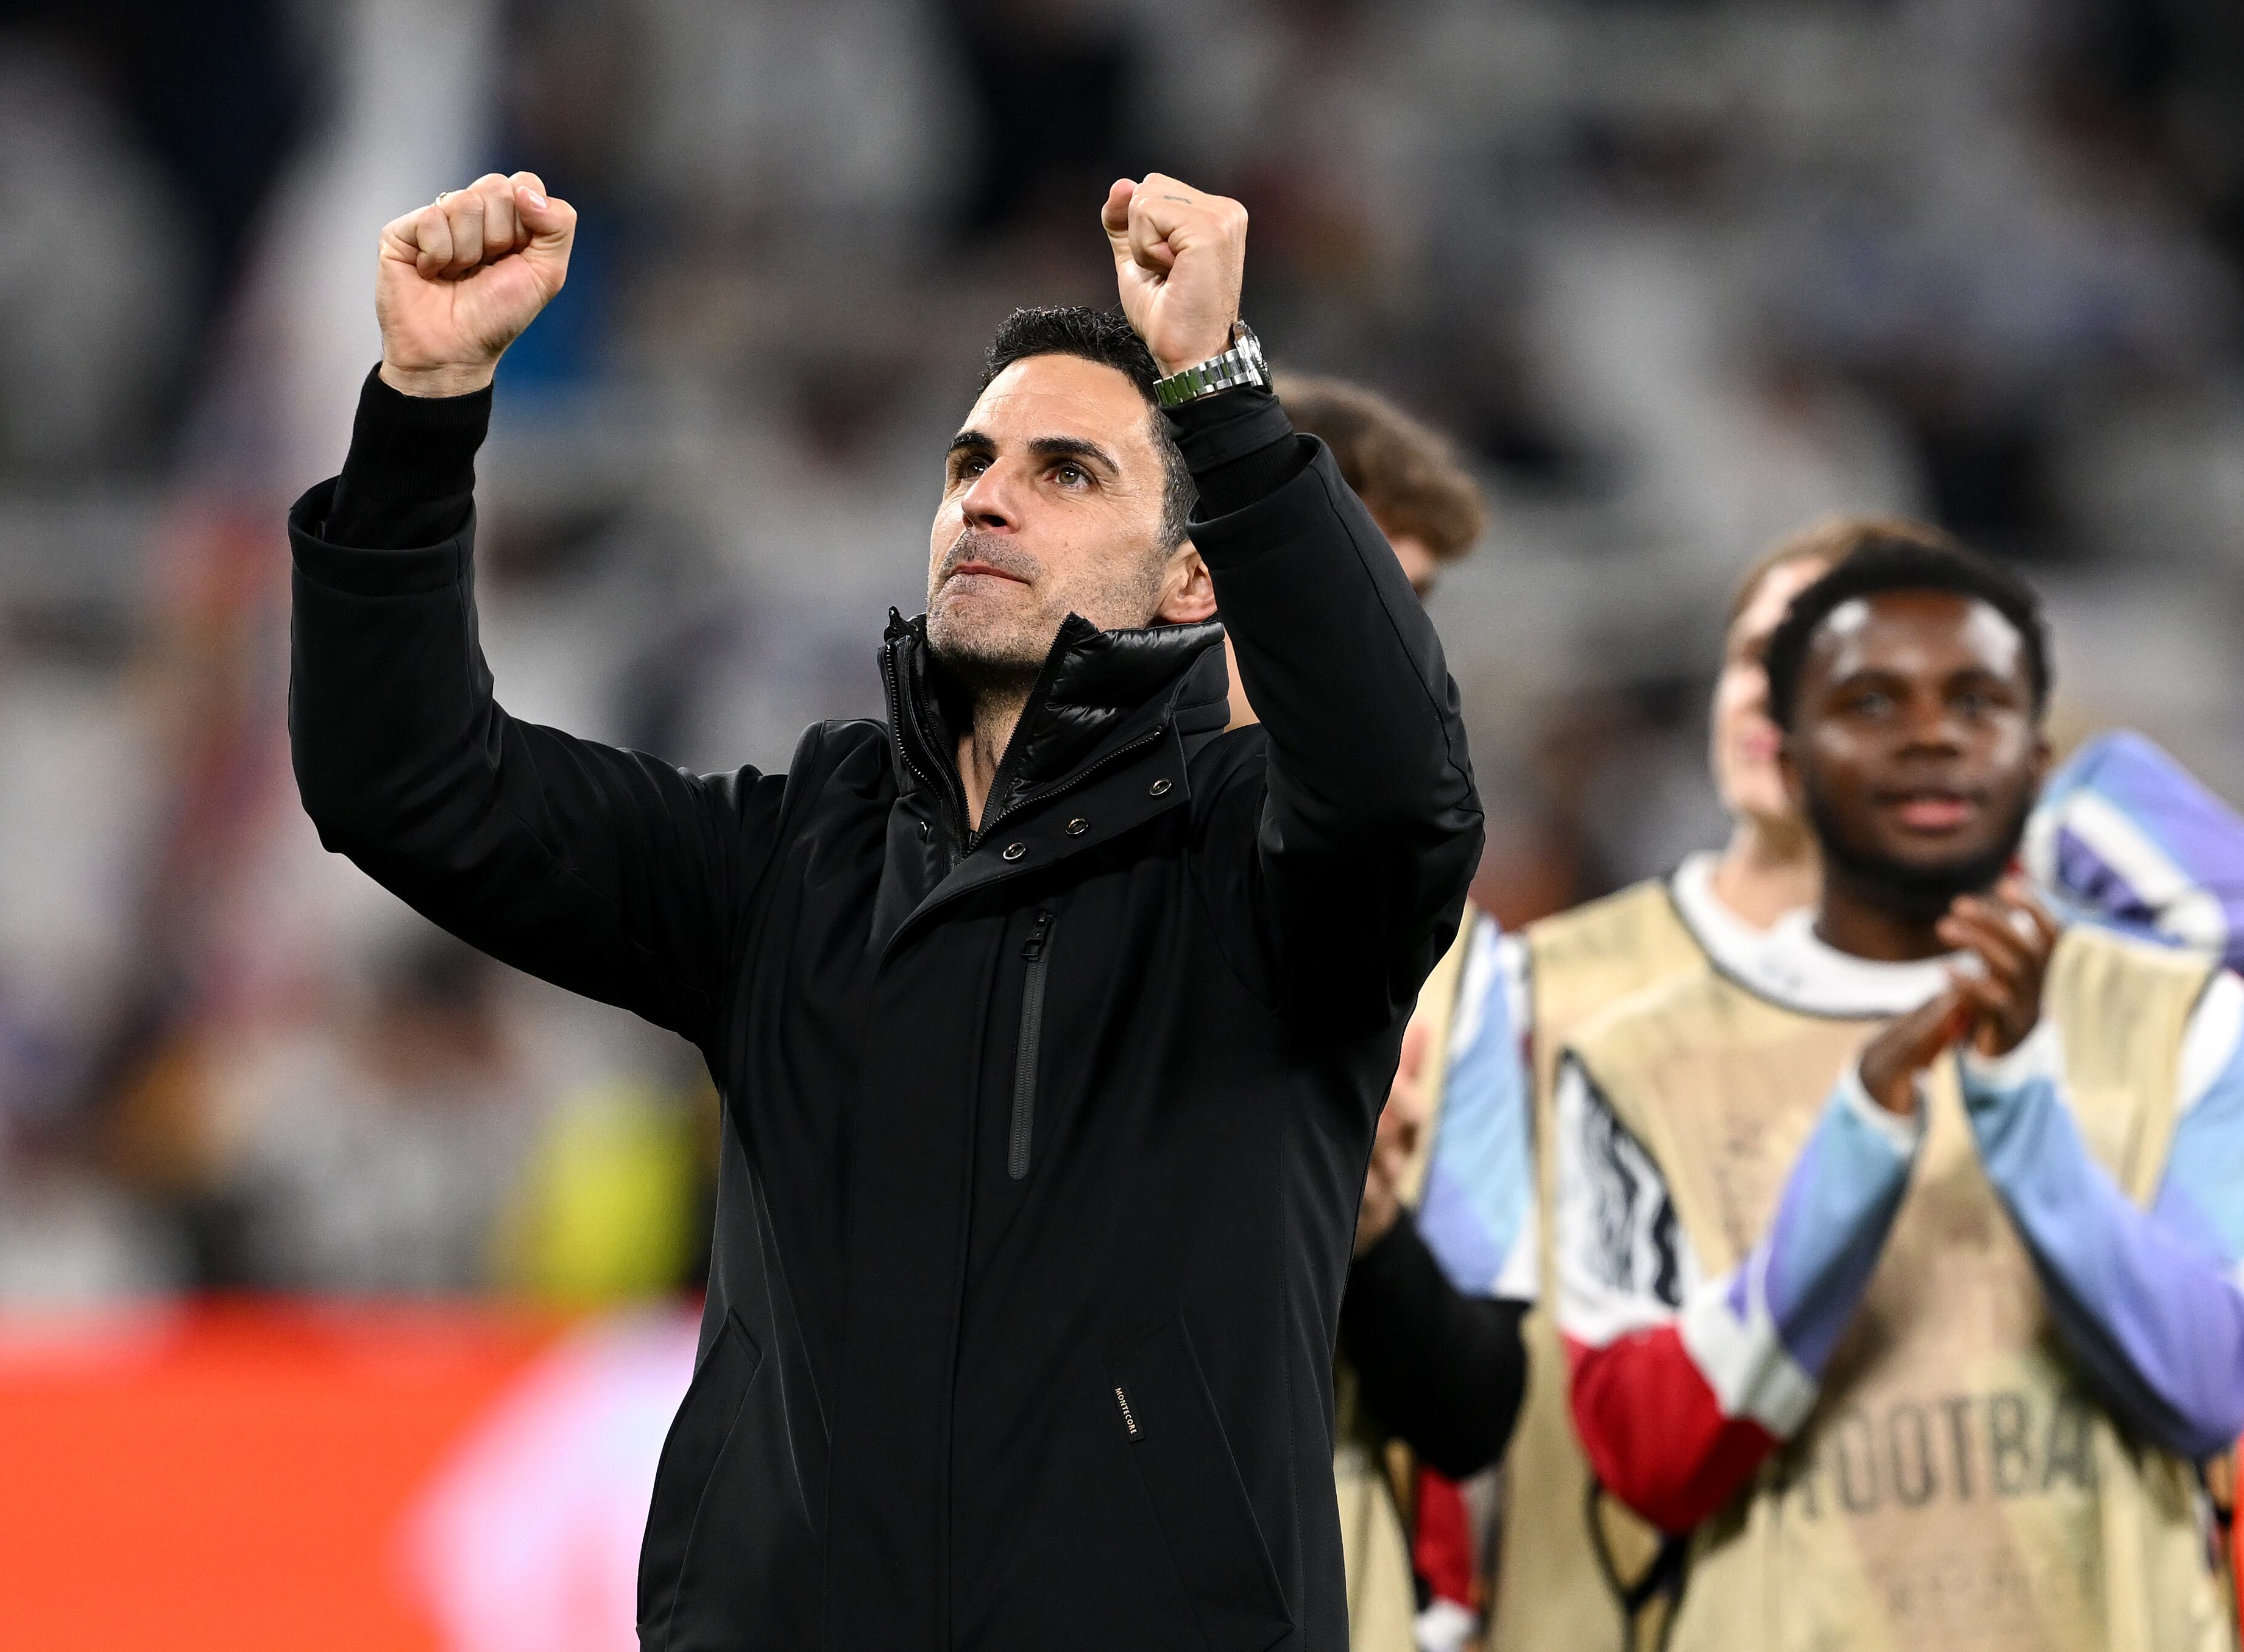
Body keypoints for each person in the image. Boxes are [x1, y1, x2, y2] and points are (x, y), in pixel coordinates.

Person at [286, 168, 1482, 1650]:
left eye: (1068, 473)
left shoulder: (1261, 868)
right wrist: (422, 405)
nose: (988, 495)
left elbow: (1402, 791)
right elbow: (404, 780)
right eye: (971, 460)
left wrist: (1220, 390)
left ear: (1193, 580)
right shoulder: (795, 852)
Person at [1483, 519, 2244, 1651]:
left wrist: (2019, 1066)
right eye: (1868, 698)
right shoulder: (1595, 1027)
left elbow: (2208, 1391)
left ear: (2039, 753)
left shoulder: (2183, 1018)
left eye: (1971, 701)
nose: (1927, 736)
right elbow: (1618, 1442)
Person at [1230, 375, 1521, 1652]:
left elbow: (1474, 1405)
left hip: (1326, 1582)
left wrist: (1371, 1225)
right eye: (1351, 596)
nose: (1386, 652)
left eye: (1412, 608)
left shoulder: (1472, 980)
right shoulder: (1020, 873)